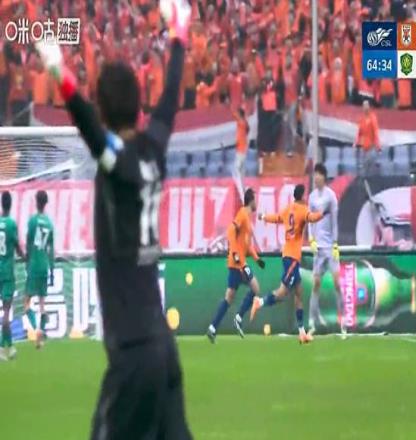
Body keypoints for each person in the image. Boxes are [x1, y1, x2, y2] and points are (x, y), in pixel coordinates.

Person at [35, 0, 193, 438]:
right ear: (140, 109)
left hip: (132, 355)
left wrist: (56, 69)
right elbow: (171, 98)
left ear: (104, 111)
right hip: (163, 349)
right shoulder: (153, 149)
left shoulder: (116, 163)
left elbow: (86, 123)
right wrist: (179, 36)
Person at [250, 184, 326, 344]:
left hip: (288, 256)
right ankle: (259, 302)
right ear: (302, 196)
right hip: (292, 258)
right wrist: (324, 212)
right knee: (282, 292)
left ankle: (302, 333)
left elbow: (276, 218)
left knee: (298, 293)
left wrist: (263, 216)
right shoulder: (302, 210)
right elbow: (312, 218)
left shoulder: (288, 209)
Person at [207, 188, 265, 343]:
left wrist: (257, 258)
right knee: (255, 288)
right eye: (255, 199)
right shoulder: (242, 214)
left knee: (229, 297)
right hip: (239, 264)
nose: (257, 203)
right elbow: (230, 231)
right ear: (251, 200)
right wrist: (235, 255)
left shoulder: (247, 218)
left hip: (236, 264)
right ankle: (238, 318)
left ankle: (213, 327)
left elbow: (246, 245)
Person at [307, 164, 344, 335]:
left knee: (337, 283)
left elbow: (335, 221)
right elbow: (309, 220)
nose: (315, 178)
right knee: (316, 284)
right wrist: (311, 239)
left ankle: (342, 321)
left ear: (323, 176)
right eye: (314, 175)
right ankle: (311, 322)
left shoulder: (331, 197)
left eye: (318, 175)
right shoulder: (312, 197)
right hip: (318, 247)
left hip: (330, 247)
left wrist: (335, 243)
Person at [25, 190, 54, 349]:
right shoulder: (49, 223)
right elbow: (51, 250)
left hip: (34, 264)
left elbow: (29, 243)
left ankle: (37, 329)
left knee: (26, 302)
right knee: (42, 304)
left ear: (36, 202)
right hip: (44, 266)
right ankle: (40, 339)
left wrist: (27, 263)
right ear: (46, 204)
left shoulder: (32, 221)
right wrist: (52, 270)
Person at [0, 191, 24, 360]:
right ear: (11, 204)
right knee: (6, 312)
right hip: (7, 273)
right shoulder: (11, 224)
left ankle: (9, 347)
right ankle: (3, 349)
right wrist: (25, 257)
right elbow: (17, 248)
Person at [353, 100, 380, 176]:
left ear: (369, 107)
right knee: (364, 169)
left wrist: (377, 145)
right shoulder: (361, 119)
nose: (365, 107)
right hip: (364, 147)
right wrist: (355, 143)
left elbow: (376, 132)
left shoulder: (373, 118)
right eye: (364, 106)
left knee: (369, 167)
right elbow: (359, 133)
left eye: (366, 105)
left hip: (371, 147)